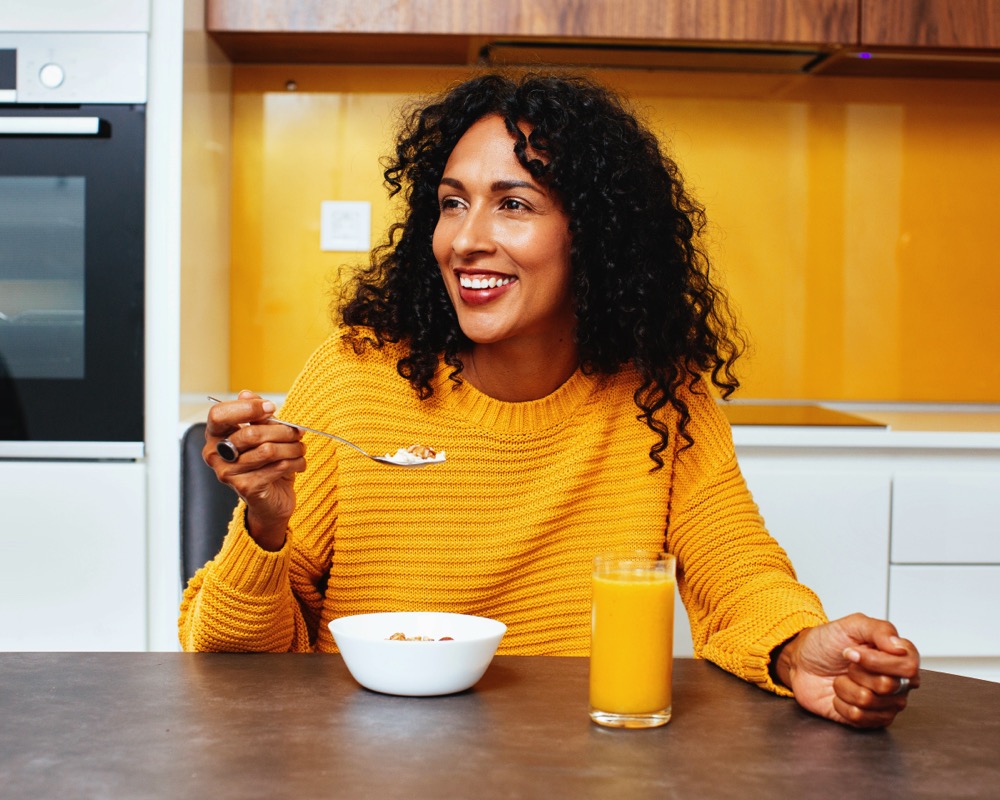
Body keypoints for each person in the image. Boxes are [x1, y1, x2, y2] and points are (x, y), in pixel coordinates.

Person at [180, 71, 920, 729]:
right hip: (367, 755)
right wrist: (266, 526)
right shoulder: (356, 378)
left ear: (592, 236)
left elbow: (738, 573)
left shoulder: (660, 397)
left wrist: (797, 649)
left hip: (581, 759)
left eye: (513, 204)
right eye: (451, 203)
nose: (465, 239)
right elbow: (233, 658)